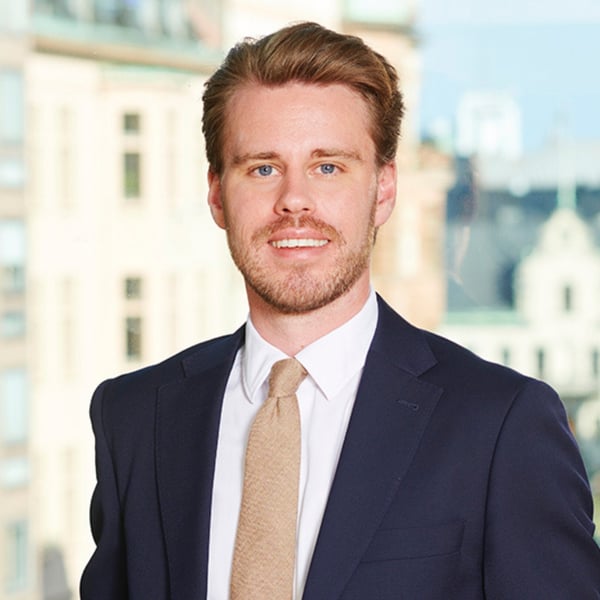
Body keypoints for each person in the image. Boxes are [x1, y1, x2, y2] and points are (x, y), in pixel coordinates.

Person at [80, 22, 600, 599]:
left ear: (384, 190)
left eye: (328, 167)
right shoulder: (135, 419)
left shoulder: (501, 425)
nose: (294, 200)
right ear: (217, 194)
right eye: (262, 168)